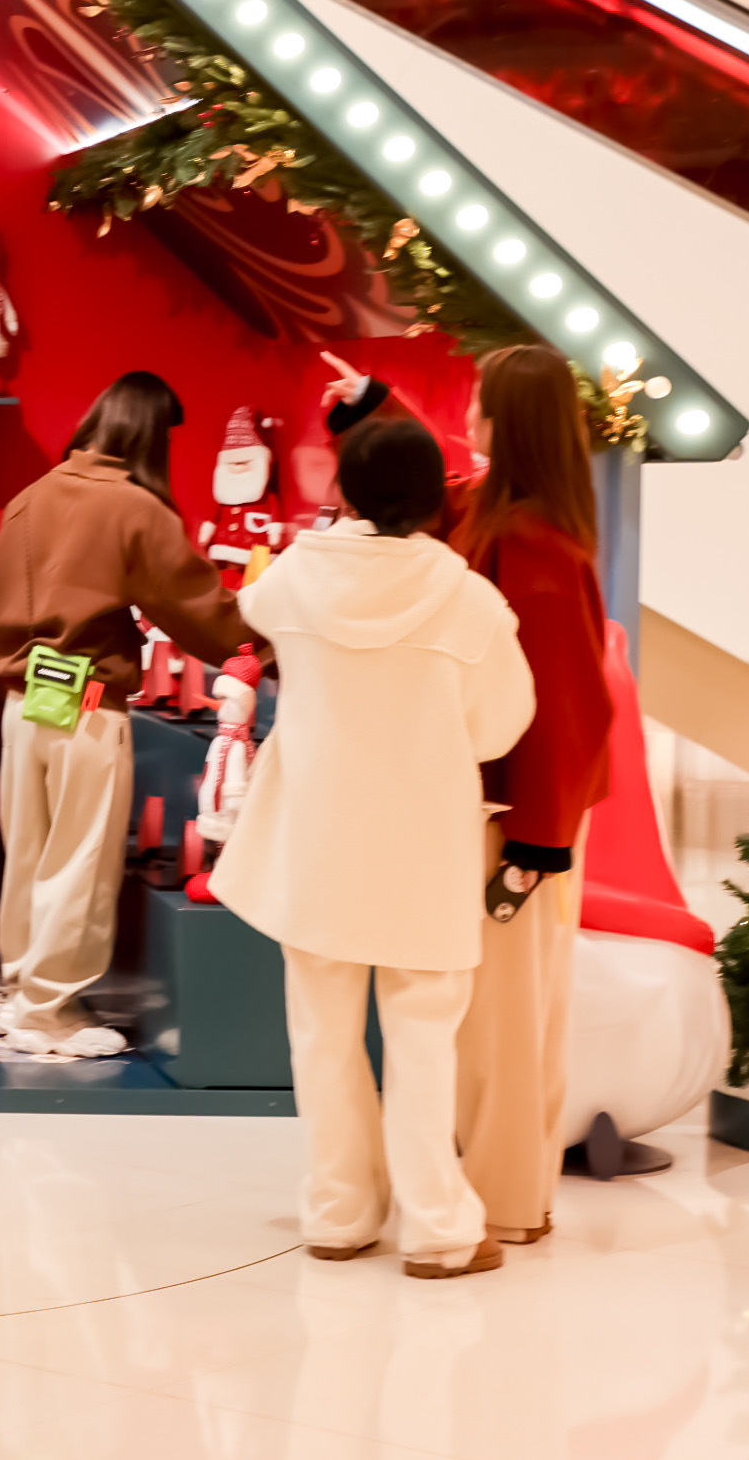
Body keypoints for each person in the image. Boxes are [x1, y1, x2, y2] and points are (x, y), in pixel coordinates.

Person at [210, 418, 536, 1279]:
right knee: (425, 1037)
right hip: (423, 840)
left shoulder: (292, 579)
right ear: (434, 499)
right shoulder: (468, 600)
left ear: (345, 491)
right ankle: (438, 1229)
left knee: (321, 1033)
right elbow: (501, 723)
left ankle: (339, 1211)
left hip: (317, 838)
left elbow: (250, 615)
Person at [0, 372, 250, 1055]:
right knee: (80, 860)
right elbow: (198, 609)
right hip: (89, 703)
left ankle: (24, 993)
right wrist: (266, 642)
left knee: (29, 855)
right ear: (151, 437)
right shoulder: (134, 507)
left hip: (23, 701)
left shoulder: (30, 497)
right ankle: (50, 1011)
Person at [450, 345, 616, 1241]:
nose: (466, 415)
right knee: (500, 1014)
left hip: (518, 815)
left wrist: (537, 840)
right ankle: (499, 1192)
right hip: (509, 807)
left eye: (479, 402)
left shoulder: (532, 541)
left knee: (505, 1019)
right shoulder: (505, 515)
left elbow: (564, 704)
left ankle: (505, 1198)